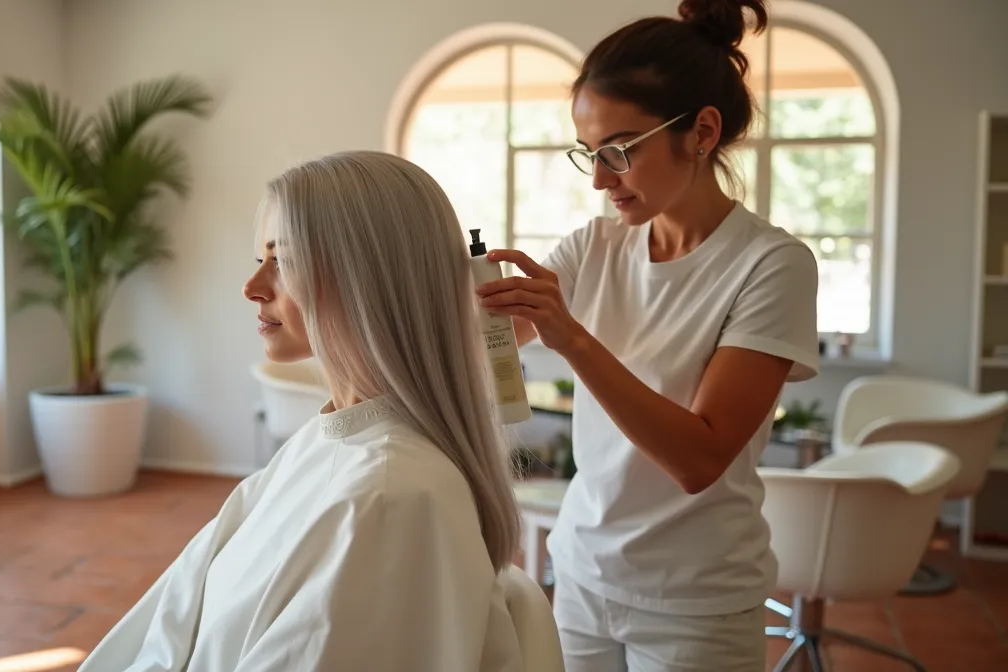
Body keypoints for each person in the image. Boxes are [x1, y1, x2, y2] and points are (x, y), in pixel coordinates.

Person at [78, 150, 531, 671]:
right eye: (260, 261)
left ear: (370, 280)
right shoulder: (339, 441)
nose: (252, 289)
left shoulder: (389, 496)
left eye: (284, 262)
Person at [474, 0, 819, 669]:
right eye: (589, 154)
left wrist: (571, 338)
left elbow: (700, 459)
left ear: (702, 132)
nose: (601, 179)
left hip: (697, 601)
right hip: (580, 575)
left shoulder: (771, 265)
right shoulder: (593, 246)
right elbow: (483, 341)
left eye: (619, 151)